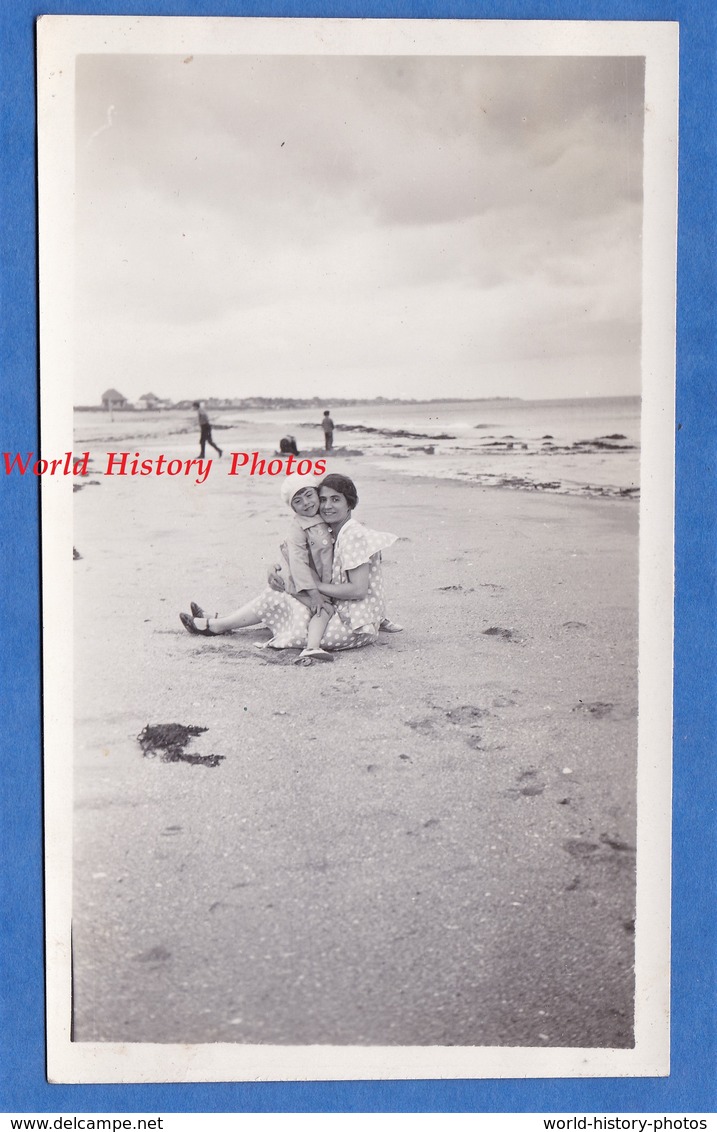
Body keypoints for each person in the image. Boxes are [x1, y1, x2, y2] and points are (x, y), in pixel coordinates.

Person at [179, 473, 401, 662]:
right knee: (282, 592)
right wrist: (278, 569)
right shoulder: (335, 529)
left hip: (351, 628)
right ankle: (219, 621)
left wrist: (314, 587)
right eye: (323, 499)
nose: (326, 506)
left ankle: (217, 625)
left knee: (278, 598)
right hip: (353, 618)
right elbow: (304, 555)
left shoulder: (353, 535)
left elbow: (359, 590)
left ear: (350, 503)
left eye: (335, 500)